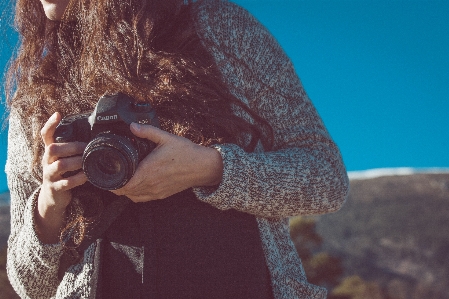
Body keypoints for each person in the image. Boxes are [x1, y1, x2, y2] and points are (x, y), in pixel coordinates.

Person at [5, 0, 349, 298]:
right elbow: (28, 286)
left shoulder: (221, 30)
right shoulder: (35, 97)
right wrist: (49, 203)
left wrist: (212, 168)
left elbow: (327, 177)